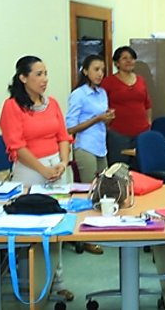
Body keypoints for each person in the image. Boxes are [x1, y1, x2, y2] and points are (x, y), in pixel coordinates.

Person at [0, 55, 75, 299]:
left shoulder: (51, 104)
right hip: (30, 170)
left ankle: (57, 281)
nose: (44, 79)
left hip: (57, 167)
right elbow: (16, 146)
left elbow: (63, 136)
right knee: (30, 227)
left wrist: (63, 163)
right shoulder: (12, 106)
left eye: (45, 74)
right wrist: (43, 170)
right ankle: (29, 283)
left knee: (57, 226)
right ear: (23, 77)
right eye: (38, 74)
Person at [66, 54, 115, 255]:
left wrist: (108, 119)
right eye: (96, 69)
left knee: (103, 191)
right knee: (88, 193)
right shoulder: (79, 94)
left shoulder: (102, 93)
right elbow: (70, 128)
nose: (100, 73)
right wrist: (97, 119)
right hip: (84, 147)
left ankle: (99, 230)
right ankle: (85, 237)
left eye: (102, 70)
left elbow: (104, 121)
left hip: (100, 145)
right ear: (85, 71)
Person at [101, 46, 151, 165]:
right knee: (119, 169)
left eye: (132, 58)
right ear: (117, 63)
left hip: (142, 133)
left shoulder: (141, 80)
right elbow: (101, 106)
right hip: (118, 133)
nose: (129, 61)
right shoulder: (108, 82)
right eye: (125, 58)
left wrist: (149, 122)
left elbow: (147, 103)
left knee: (140, 167)